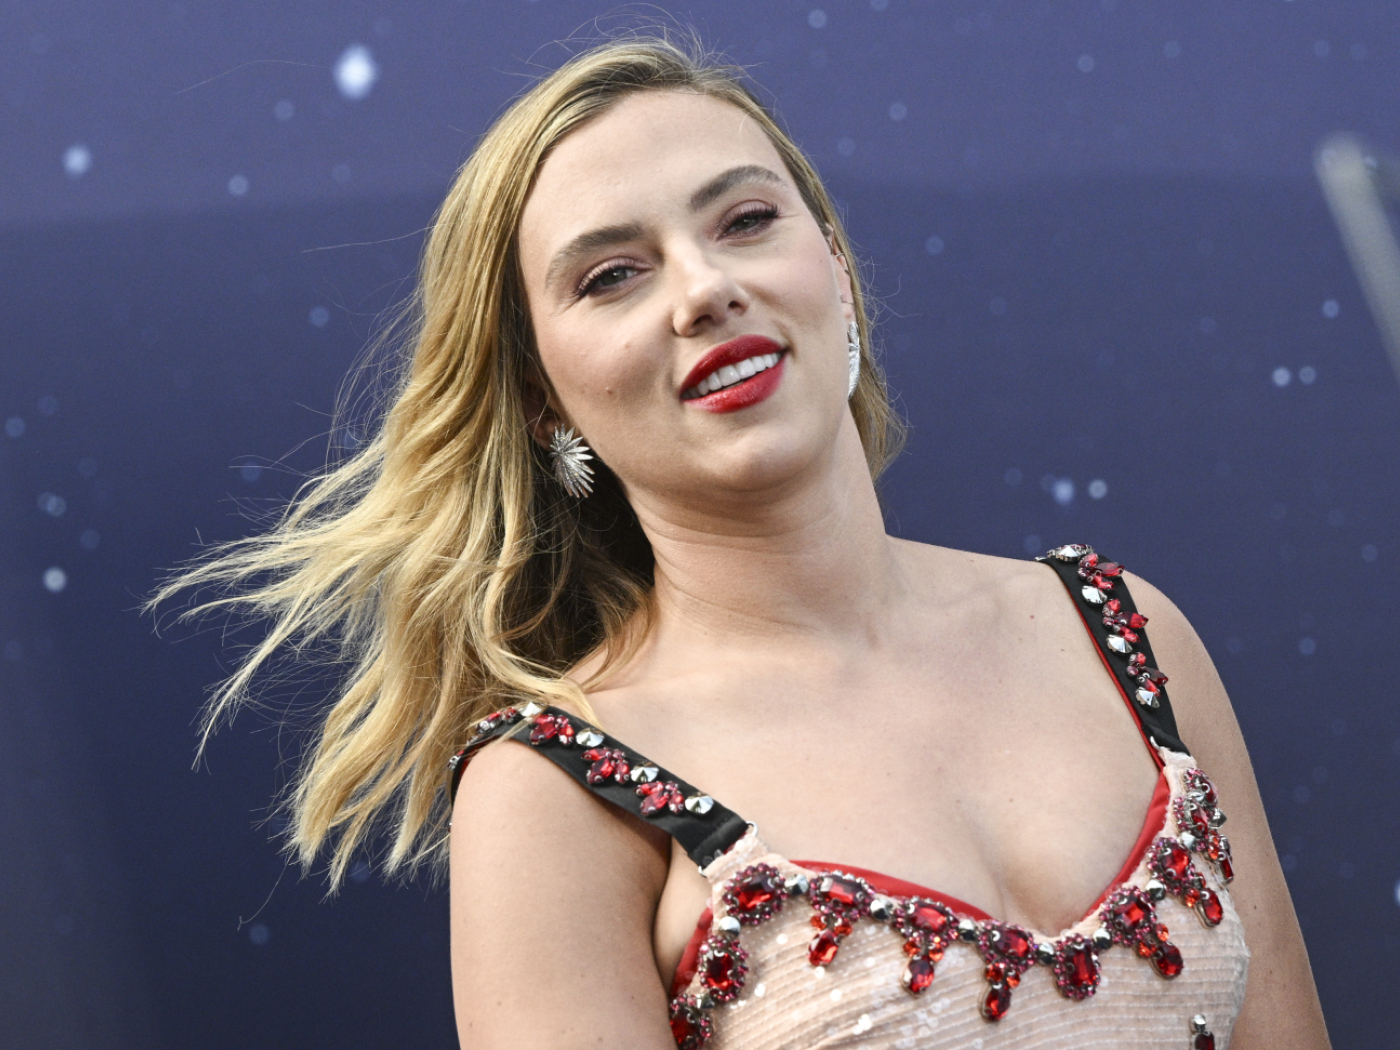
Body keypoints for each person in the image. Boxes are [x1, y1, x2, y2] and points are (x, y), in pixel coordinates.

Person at [162, 33, 1329, 1050]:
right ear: (542, 401)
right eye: (611, 276)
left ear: (838, 272)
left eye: (745, 221)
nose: (703, 288)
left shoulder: (1123, 633)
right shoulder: (551, 789)